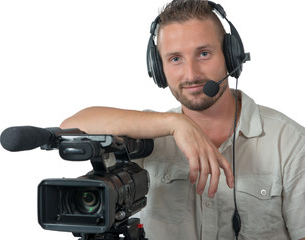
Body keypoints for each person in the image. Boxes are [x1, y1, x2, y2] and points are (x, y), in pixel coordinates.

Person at [60, 0, 305, 239]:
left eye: (204, 53)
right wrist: (175, 124)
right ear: (158, 69)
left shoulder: (290, 142)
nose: (191, 74)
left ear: (231, 56)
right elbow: (69, 128)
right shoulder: (147, 134)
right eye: (175, 58)